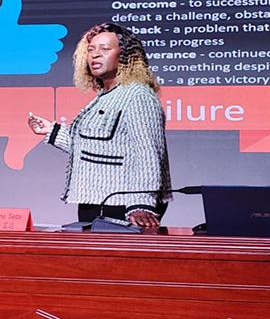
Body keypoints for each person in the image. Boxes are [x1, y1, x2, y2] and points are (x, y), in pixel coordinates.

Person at [28, 22, 172, 227]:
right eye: (91, 50)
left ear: (125, 56)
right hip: (95, 200)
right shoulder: (106, 96)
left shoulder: (138, 95)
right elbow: (94, 148)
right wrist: (51, 131)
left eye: (104, 49)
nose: (95, 55)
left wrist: (142, 204)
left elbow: (148, 153)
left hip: (124, 205)